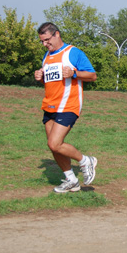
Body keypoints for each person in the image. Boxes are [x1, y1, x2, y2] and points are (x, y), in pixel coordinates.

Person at [34, 22, 98, 193]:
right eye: (42, 41)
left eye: (47, 40)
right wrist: (40, 77)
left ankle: (86, 161)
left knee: (55, 143)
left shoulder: (73, 53)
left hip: (68, 105)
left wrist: (74, 73)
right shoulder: (47, 56)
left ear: (57, 34)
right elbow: (51, 81)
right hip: (49, 105)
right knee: (52, 145)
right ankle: (71, 180)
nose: (45, 44)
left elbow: (92, 75)